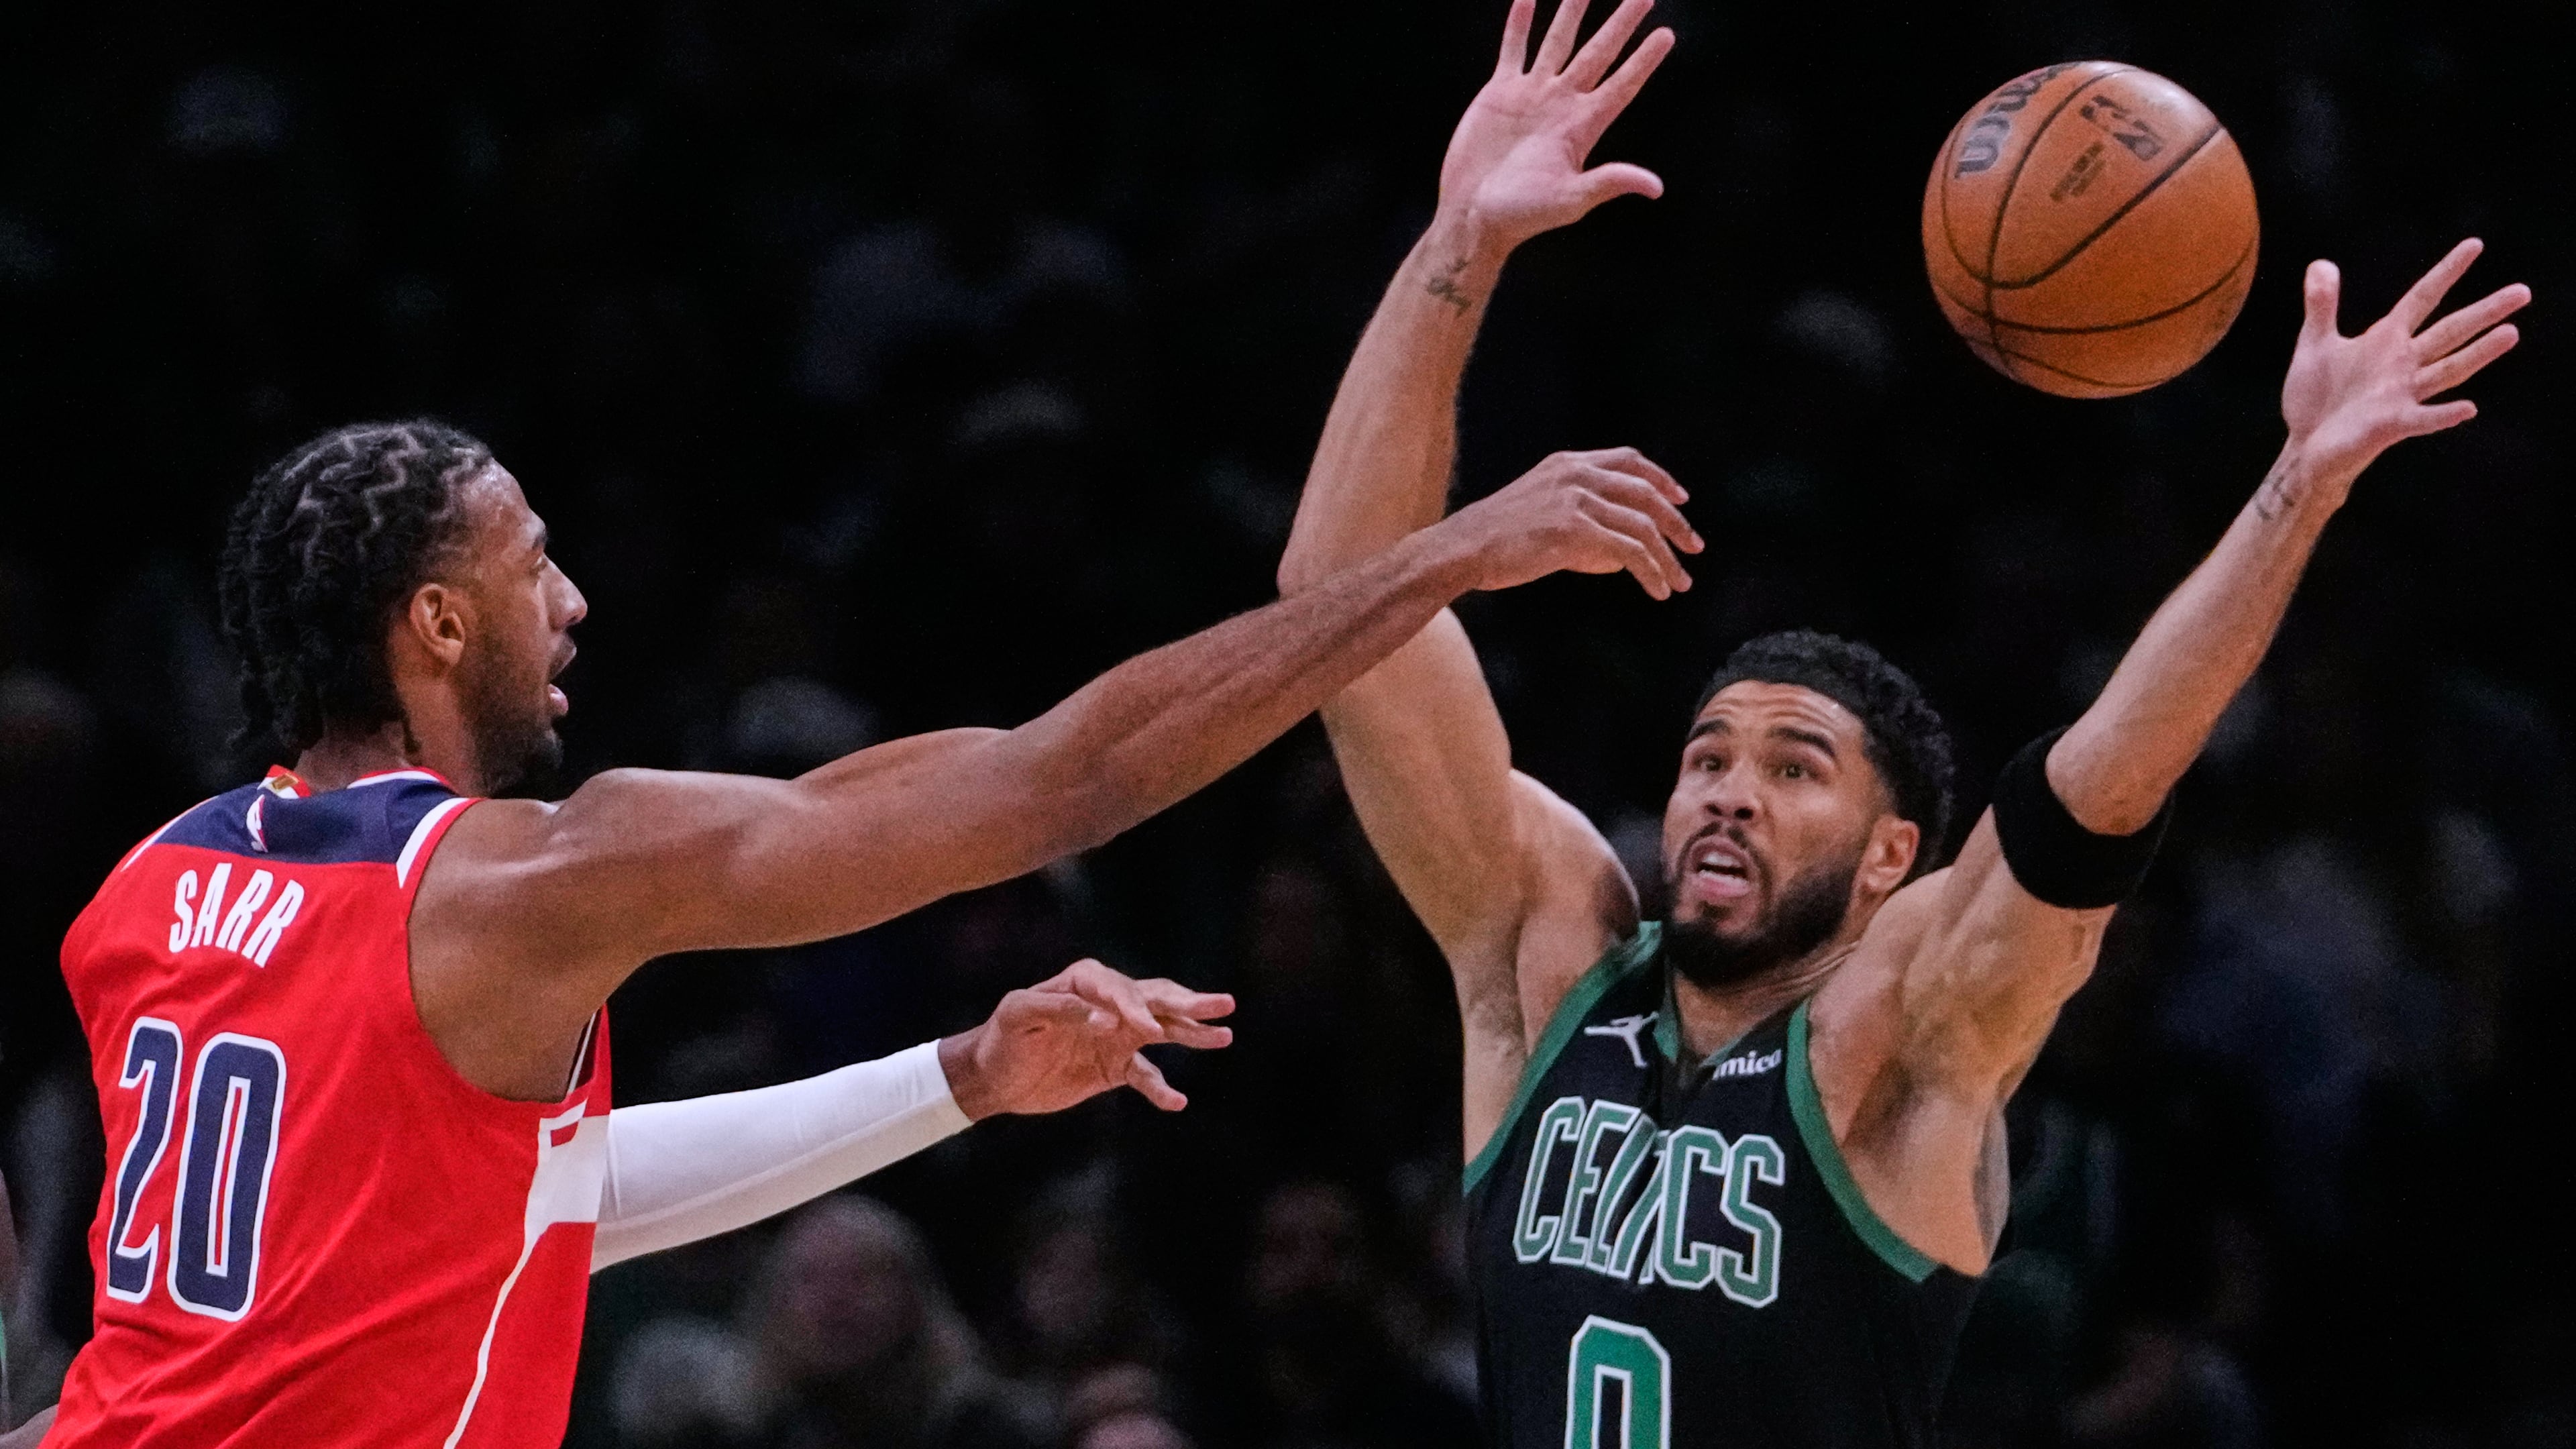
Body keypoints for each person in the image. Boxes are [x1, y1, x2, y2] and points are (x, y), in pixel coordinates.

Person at [1274, 1, 2532, 1444]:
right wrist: (1460, 247)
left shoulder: (1900, 1043)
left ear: (1891, 859)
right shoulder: (1546, 961)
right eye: (1706, 759)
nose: (1726, 795)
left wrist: (2298, 486)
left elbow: (2091, 799)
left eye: (1792, 767)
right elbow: (1335, 609)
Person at [34, 392, 1691, 1448]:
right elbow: (1059, 784)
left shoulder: (149, 892)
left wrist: (957, 1076)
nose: (575, 601)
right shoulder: (520, 886)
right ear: (439, 618)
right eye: (536, 566)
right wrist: (1437, 563)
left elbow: (515, 1213)